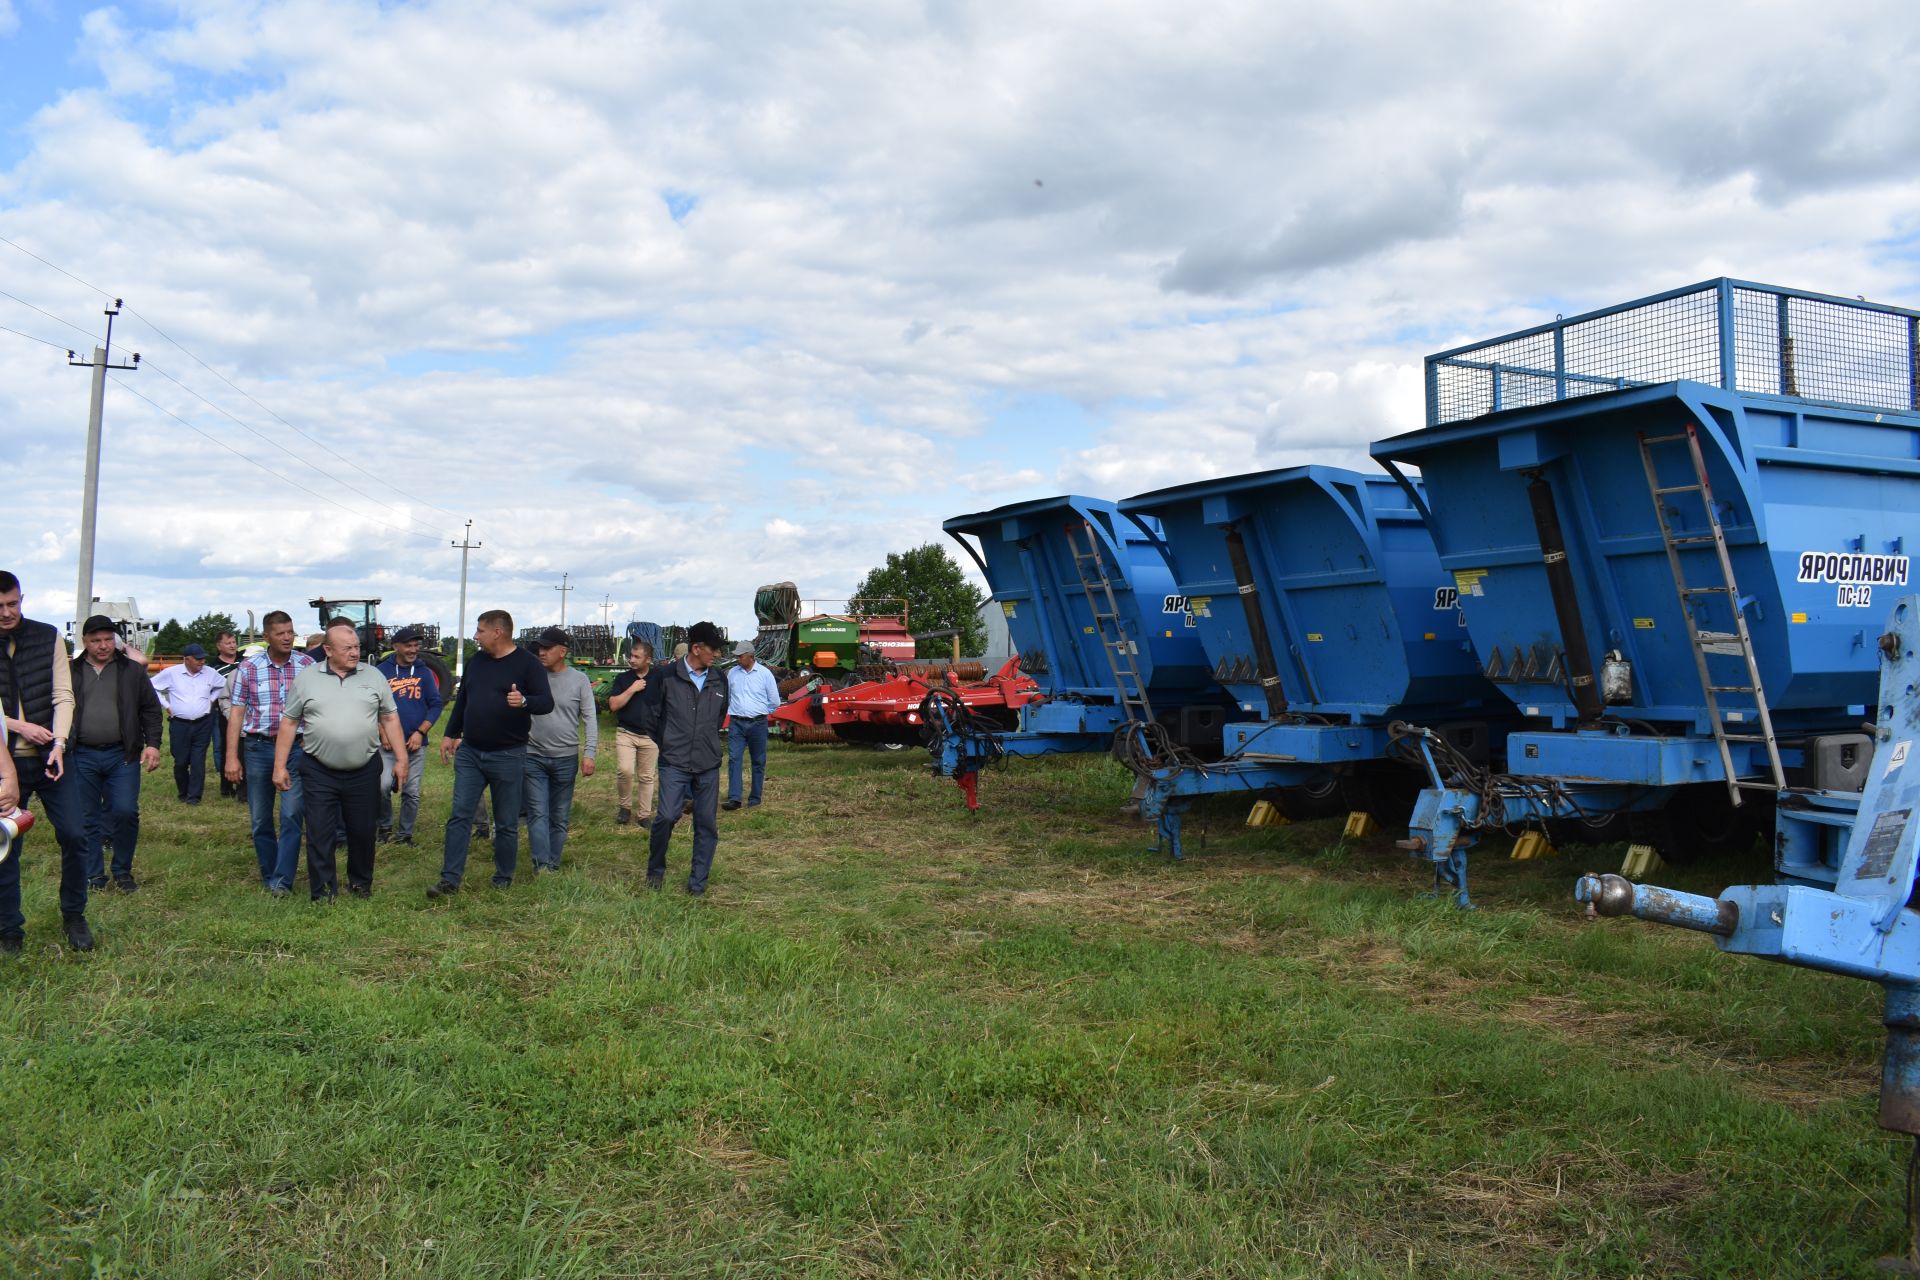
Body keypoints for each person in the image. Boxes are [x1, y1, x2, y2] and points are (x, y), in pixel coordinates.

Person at [275, 619, 406, 901]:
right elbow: (289, 722)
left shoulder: (374, 677)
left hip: (364, 768)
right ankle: (322, 891)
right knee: (320, 832)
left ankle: (360, 885)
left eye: (357, 647)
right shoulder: (307, 678)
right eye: (347, 648)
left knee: (362, 831)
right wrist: (280, 766)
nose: (354, 652)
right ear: (328, 650)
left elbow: (390, 717)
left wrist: (401, 758)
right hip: (319, 769)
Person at [428, 609, 554, 898]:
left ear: (498, 632)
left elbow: (545, 702)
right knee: (459, 816)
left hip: (508, 754)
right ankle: (450, 879)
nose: (475, 635)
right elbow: (463, 701)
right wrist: (450, 733)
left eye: (480, 630)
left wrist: (523, 701)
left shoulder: (527, 664)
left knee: (507, 822)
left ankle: (503, 877)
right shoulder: (477, 662)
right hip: (471, 752)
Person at [0, 570, 90, 953]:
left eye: (13, 603)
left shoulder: (48, 635)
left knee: (75, 834)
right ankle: (9, 930)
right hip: (5, 764)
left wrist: (59, 741)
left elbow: (63, 696)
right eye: (0, 607)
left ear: (23, 598)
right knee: (5, 848)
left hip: (52, 759)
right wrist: (20, 726)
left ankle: (74, 915)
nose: (7, 612)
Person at [68, 615, 163, 895]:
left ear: (116, 640)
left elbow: (150, 709)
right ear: (84, 642)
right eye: (96, 640)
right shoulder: (71, 671)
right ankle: (93, 874)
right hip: (82, 754)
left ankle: (122, 870)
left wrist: (153, 744)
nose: (103, 645)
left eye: (108, 639)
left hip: (122, 755)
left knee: (125, 811)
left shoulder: (132, 671)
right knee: (87, 816)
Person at [226, 610, 315, 896]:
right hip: (259, 747)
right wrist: (231, 757)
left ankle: (281, 881)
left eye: (290, 632)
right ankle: (270, 872)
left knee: (291, 814)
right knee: (261, 818)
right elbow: (237, 714)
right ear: (266, 637)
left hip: (296, 750)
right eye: (280, 633)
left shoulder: (307, 665)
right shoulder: (249, 668)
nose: (287, 638)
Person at [647, 620, 730, 895]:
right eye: (713, 649)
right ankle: (655, 870)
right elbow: (652, 717)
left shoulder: (720, 679)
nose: (717, 655)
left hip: (708, 763)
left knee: (706, 824)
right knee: (667, 816)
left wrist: (705, 740)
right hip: (674, 761)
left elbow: (719, 716)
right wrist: (670, 742)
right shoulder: (666, 676)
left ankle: (697, 884)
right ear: (696, 648)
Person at [524, 627, 597, 873]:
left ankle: (553, 862)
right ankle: (541, 865)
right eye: (540, 648)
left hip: (566, 758)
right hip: (533, 755)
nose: (541, 652)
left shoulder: (579, 680)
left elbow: (590, 718)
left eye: (547, 648)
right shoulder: (532, 676)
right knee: (537, 812)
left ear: (562, 652)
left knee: (559, 816)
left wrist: (590, 753)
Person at [376, 627, 442, 846]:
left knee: (411, 792)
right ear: (396, 647)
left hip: (415, 744)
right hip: (387, 745)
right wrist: (382, 732)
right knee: (382, 785)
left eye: (416, 645)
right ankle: (384, 827)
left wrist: (420, 732)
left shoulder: (423, 672)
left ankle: (405, 834)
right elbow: (372, 705)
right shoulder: (382, 671)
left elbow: (435, 704)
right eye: (408, 645)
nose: (413, 650)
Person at [151, 643, 226, 804]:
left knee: (198, 761)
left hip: (203, 723)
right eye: (198, 659)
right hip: (180, 724)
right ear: (187, 659)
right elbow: (152, 686)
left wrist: (211, 700)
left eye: (203, 658)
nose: (202, 662)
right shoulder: (171, 673)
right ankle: (183, 792)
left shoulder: (210, 673)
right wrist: (166, 705)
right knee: (181, 762)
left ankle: (194, 797)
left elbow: (222, 685)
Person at [607, 640, 663, 827]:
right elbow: (613, 705)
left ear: (648, 659)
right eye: (631, 655)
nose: (631, 660)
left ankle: (644, 815)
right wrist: (633, 688)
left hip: (650, 736)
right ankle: (625, 807)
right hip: (626, 733)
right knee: (625, 771)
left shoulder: (659, 677)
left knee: (647, 777)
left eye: (636, 657)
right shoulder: (623, 679)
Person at [724, 639, 780, 811]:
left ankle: (755, 798)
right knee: (734, 759)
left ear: (750, 656)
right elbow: (728, 697)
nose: (738, 659)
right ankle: (735, 798)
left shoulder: (764, 674)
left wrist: (760, 712)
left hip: (758, 724)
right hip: (737, 724)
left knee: (758, 761)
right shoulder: (732, 674)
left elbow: (774, 701)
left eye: (740, 656)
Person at [211, 631, 245, 800]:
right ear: (219, 646)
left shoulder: (244, 662)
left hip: (245, 711)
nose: (232, 646)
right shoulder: (213, 667)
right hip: (223, 712)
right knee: (225, 748)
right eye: (228, 643)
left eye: (233, 642)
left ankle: (242, 785)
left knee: (243, 748)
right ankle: (226, 786)